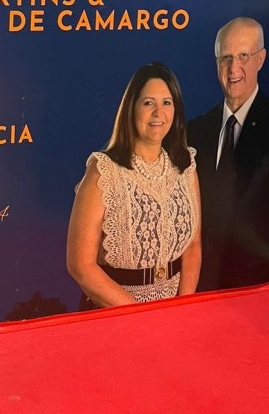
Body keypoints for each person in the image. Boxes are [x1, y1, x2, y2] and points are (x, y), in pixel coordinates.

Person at [67, 63, 201, 307]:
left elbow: (193, 245)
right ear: (131, 109)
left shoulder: (185, 166)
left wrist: (181, 310)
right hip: (116, 311)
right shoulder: (103, 171)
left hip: (174, 311)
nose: (158, 113)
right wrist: (141, 317)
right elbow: (80, 265)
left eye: (167, 102)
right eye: (148, 103)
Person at [187, 17, 269, 291]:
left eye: (244, 56)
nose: (234, 68)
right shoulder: (195, 131)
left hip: (257, 291)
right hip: (200, 287)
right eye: (226, 58)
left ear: (260, 59)